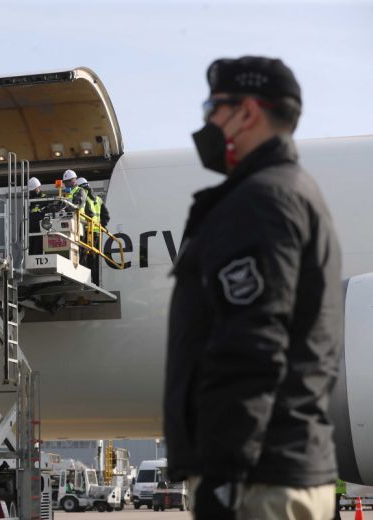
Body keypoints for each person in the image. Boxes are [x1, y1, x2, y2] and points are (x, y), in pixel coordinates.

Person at [164, 56, 341, 520]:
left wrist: (223, 476)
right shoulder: (293, 191)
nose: (206, 121)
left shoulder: (259, 202)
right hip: (277, 470)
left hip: (258, 482)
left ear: (247, 112)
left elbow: (252, 346)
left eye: (213, 107)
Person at [27, 177, 48, 254]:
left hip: (40, 231)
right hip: (30, 231)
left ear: (39, 188)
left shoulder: (45, 199)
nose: (32, 192)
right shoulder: (29, 201)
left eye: (34, 190)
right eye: (31, 191)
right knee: (30, 253)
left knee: (38, 251)